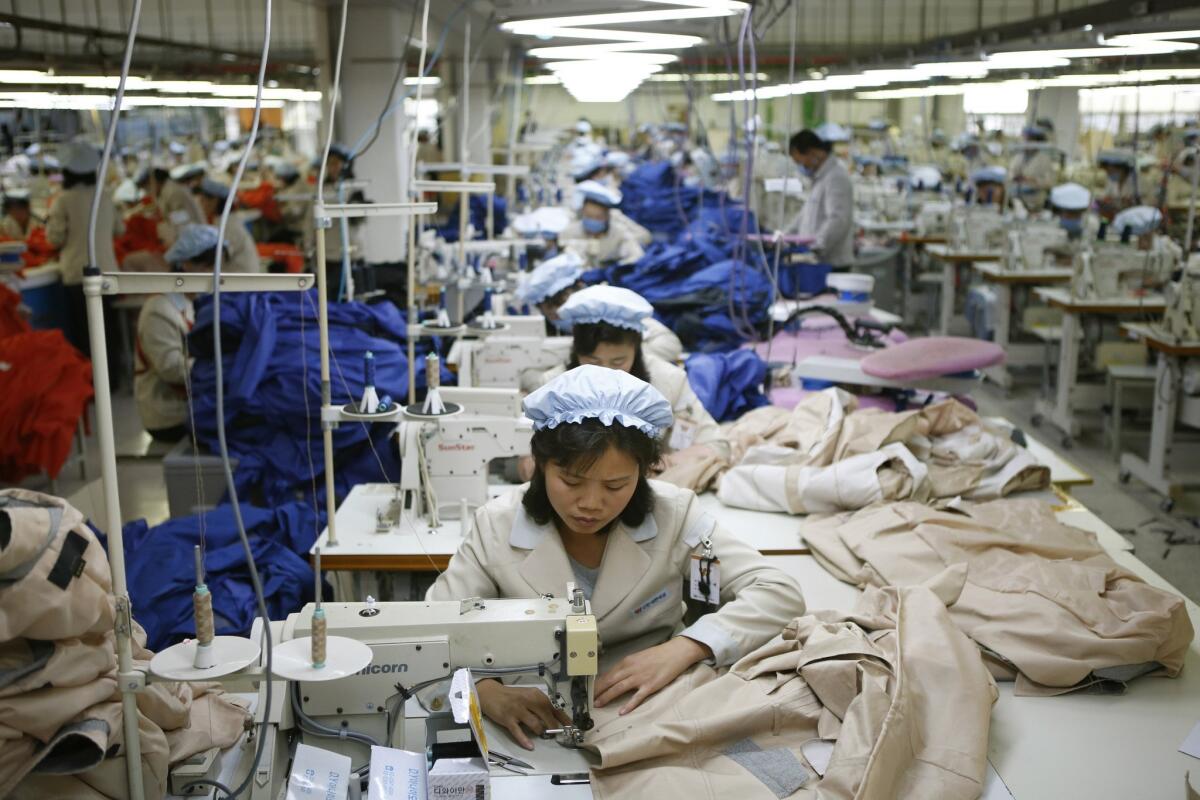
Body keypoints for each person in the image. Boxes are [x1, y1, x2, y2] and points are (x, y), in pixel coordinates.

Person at [427, 365, 805, 749]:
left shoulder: (675, 515)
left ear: (643, 473)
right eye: (571, 481)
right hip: (532, 720)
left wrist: (687, 647)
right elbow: (429, 633)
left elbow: (778, 593)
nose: (590, 504)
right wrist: (485, 690)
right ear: (540, 463)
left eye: (616, 485)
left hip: (654, 709)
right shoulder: (496, 525)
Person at [548, 286, 715, 450]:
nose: (606, 373)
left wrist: (676, 461)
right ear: (576, 353)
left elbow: (714, 443)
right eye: (593, 362)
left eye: (618, 362)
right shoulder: (553, 387)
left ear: (636, 350)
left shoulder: (669, 380)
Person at [134, 225, 218, 442]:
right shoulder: (158, 310)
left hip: (193, 403)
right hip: (168, 415)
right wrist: (221, 365)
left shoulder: (192, 301)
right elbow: (172, 369)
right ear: (186, 264)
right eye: (209, 267)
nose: (215, 275)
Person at [518, 254, 683, 363]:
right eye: (550, 312)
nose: (559, 314)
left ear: (580, 287)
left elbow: (670, 344)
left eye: (562, 303)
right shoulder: (554, 338)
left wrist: (622, 355)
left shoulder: (613, 308)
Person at [46, 141, 124, 368]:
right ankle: (113, 378)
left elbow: (54, 239)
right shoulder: (105, 196)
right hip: (107, 270)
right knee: (108, 329)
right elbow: (120, 229)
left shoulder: (63, 200)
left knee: (85, 332)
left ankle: (91, 380)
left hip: (77, 273)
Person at [787, 129, 854, 270]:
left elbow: (838, 219)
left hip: (832, 264)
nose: (802, 167)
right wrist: (783, 238)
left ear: (813, 153)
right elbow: (803, 217)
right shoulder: (819, 179)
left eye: (802, 163)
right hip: (817, 262)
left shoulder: (836, 177)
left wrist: (816, 247)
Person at [561, 180, 645, 266]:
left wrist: (614, 269)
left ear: (608, 216)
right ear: (582, 213)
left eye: (598, 217)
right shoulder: (569, 233)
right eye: (589, 216)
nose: (593, 221)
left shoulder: (619, 233)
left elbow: (636, 256)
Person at [194, 178, 261, 273]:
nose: (201, 204)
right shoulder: (224, 221)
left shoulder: (228, 226)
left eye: (203, 200)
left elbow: (216, 260)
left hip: (240, 282)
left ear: (214, 201)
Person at [137, 161, 205, 247]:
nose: (148, 190)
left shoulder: (173, 192)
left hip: (193, 235)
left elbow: (180, 220)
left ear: (156, 182)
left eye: (148, 186)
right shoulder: (165, 191)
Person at [1008, 125, 1059, 210]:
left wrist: (1031, 180)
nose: (1025, 142)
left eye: (1028, 140)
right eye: (1024, 139)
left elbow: (1049, 182)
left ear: (1036, 142)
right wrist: (1015, 178)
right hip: (1016, 198)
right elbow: (1010, 173)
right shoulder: (1018, 157)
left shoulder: (1044, 159)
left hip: (1035, 200)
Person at [1095, 149, 1139, 220]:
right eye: (1107, 171)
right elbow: (1107, 197)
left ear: (1123, 169)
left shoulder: (1136, 183)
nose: (1109, 174)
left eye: (1111, 171)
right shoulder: (1111, 182)